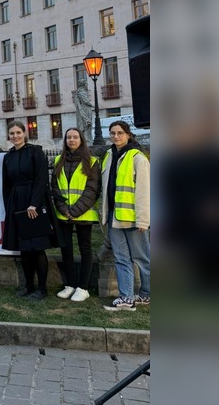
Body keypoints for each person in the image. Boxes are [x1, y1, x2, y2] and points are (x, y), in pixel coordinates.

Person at [98, 120, 150, 311]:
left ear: (128, 135)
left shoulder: (138, 158)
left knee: (142, 258)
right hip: (114, 216)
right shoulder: (109, 155)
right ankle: (126, 298)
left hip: (133, 217)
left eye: (120, 133)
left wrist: (143, 220)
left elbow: (145, 191)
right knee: (121, 258)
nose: (116, 136)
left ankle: (147, 294)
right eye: (112, 133)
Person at [1, 121, 53, 299]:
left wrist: (34, 203)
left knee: (37, 247)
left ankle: (42, 288)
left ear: (24, 133)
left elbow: (41, 179)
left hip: (33, 203)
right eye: (12, 133)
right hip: (16, 202)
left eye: (18, 132)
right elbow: (6, 185)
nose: (15, 136)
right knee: (23, 248)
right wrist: (9, 206)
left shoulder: (35, 152)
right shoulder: (8, 157)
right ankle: (29, 286)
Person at [49, 128, 100, 302]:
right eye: (68, 137)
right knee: (66, 249)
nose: (71, 140)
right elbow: (55, 188)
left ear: (81, 140)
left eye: (75, 137)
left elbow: (92, 190)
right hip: (64, 214)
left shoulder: (92, 161)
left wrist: (75, 210)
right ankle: (70, 284)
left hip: (83, 214)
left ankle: (83, 287)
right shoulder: (58, 160)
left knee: (85, 249)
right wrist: (64, 209)